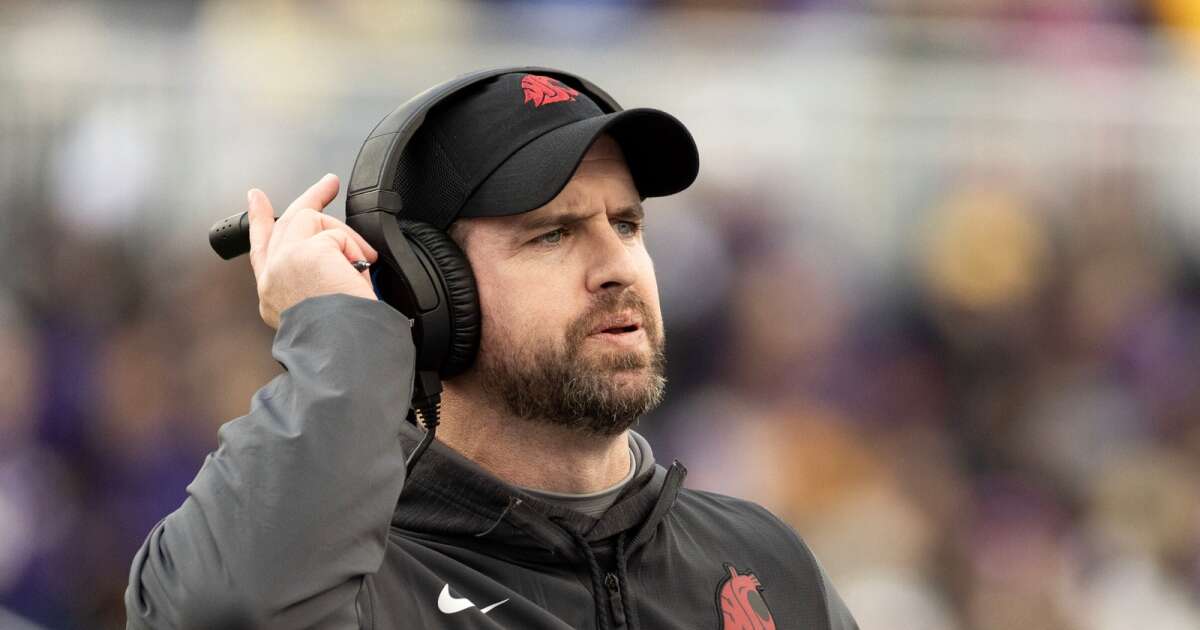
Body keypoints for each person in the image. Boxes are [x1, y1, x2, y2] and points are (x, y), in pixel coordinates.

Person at [125, 71, 859, 630]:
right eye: (553, 233)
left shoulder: (761, 562)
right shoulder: (352, 583)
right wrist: (336, 331)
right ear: (427, 289)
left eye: (628, 224)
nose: (619, 266)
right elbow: (219, 611)